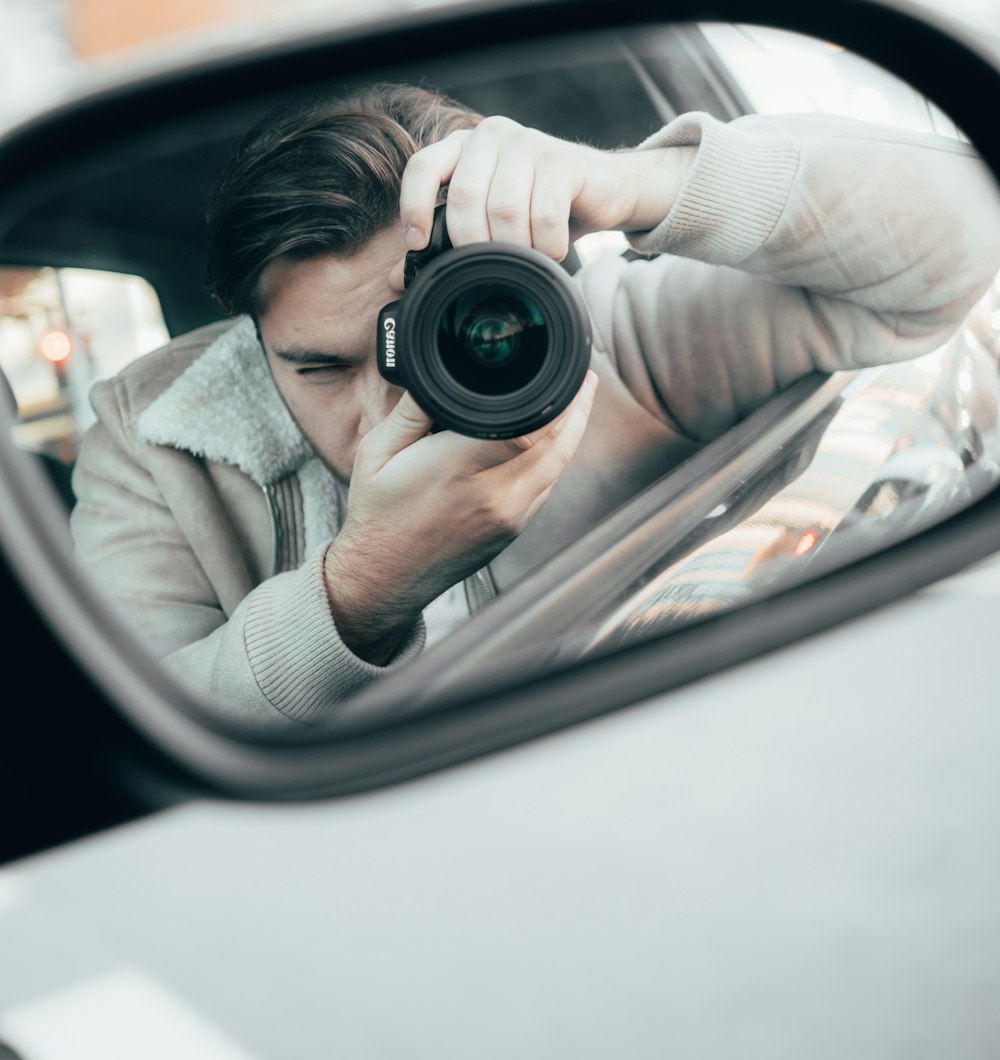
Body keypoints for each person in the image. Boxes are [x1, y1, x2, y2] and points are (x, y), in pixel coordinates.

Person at [70, 82, 1000, 724]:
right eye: (316, 368)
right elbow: (132, 720)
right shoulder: (151, 437)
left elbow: (968, 236)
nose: (376, 419)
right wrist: (360, 588)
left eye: (445, 336)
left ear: (508, 283)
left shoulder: (612, 343)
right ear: (249, 334)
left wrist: (638, 181)